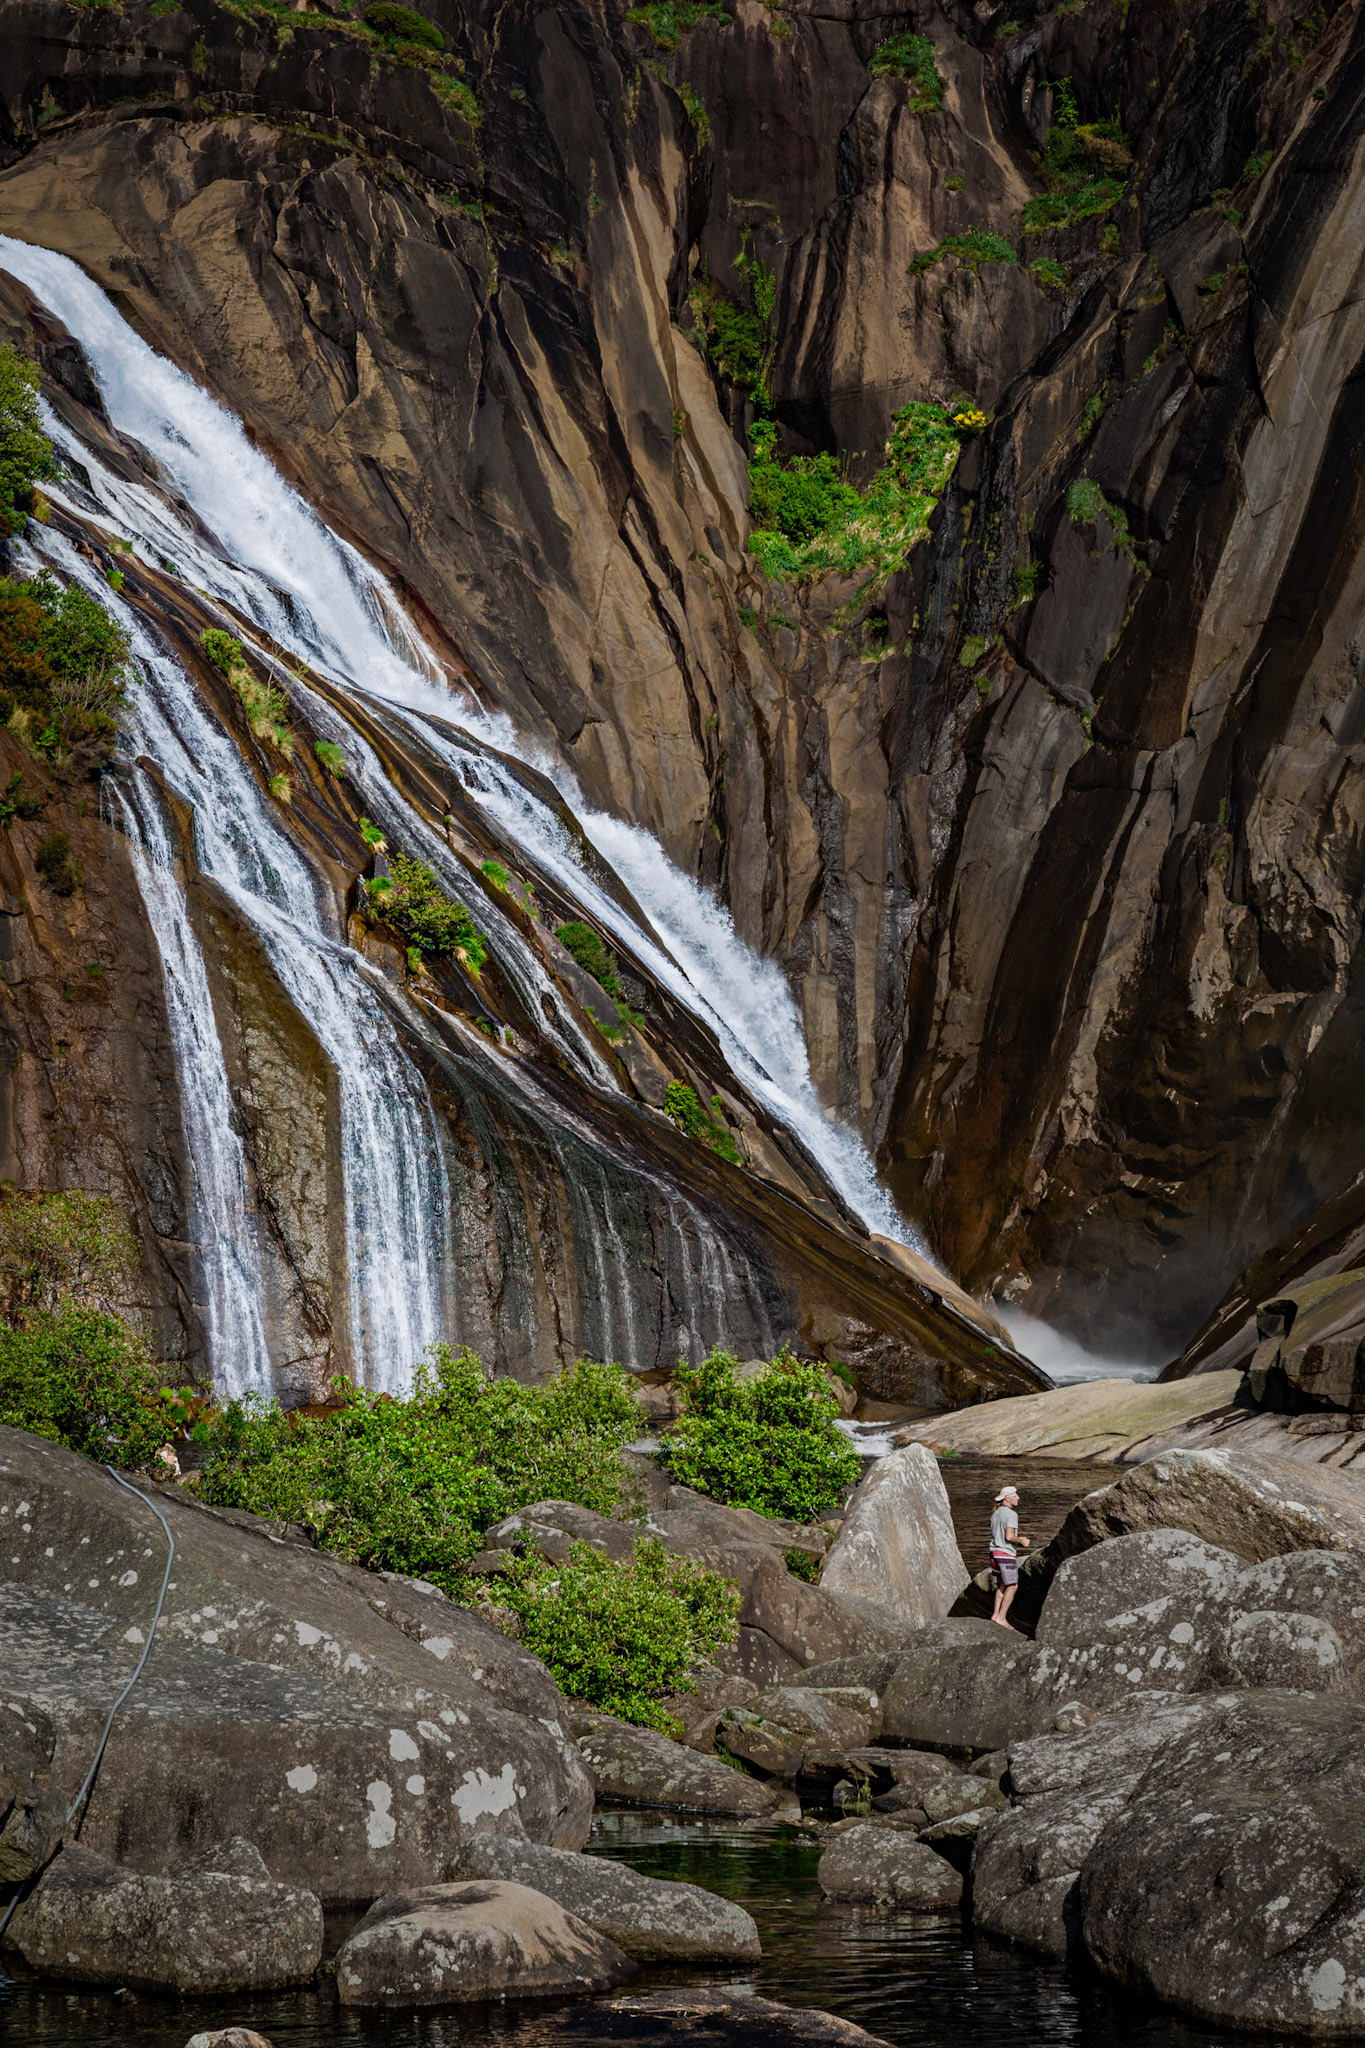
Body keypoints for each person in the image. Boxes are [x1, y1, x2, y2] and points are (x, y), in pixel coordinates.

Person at [989, 1484, 1029, 1629]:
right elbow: (1009, 1536)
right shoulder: (1011, 1514)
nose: (1018, 1498)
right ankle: (1001, 1617)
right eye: (1015, 1495)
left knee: (1003, 1584)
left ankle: (995, 1615)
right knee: (1012, 1585)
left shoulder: (996, 1513)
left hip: (994, 1553)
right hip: (1005, 1554)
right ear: (1007, 1499)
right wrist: (1022, 1540)